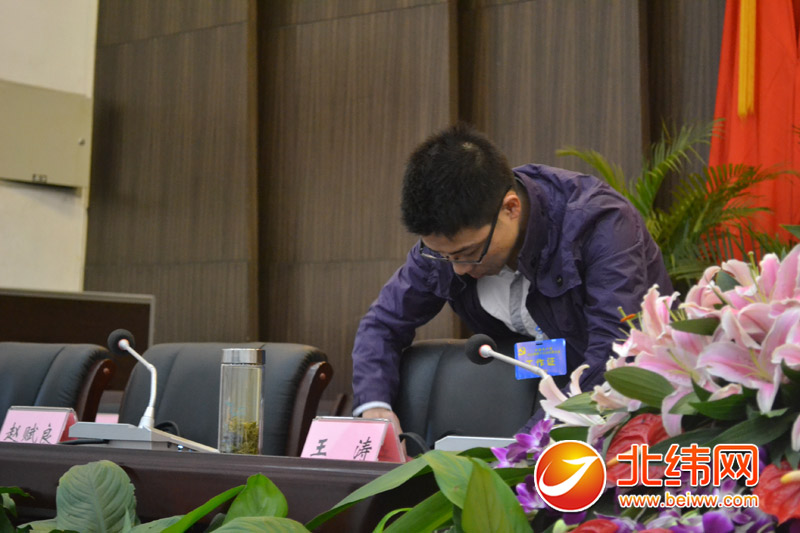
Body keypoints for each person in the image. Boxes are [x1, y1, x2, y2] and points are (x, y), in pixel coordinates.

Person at [351, 123, 672, 437]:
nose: (458, 269)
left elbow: (614, 359)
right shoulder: (447, 250)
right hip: (536, 399)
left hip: (634, 412)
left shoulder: (602, 225)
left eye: (469, 253)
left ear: (511, 208)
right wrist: (375, 407)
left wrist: (521, 449)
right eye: (443, 256)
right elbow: (383, 323)